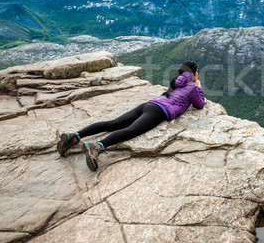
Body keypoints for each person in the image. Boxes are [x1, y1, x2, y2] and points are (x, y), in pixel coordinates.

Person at [56, 61, 205, 171]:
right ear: (194, 73)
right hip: (159, 111)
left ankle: (75, 135)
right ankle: (97, 146)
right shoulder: (192, 86)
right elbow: (199, 104)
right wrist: (199, 87)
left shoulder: (176, 82)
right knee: (132, 131)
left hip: (148, 105)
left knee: (113, 123)